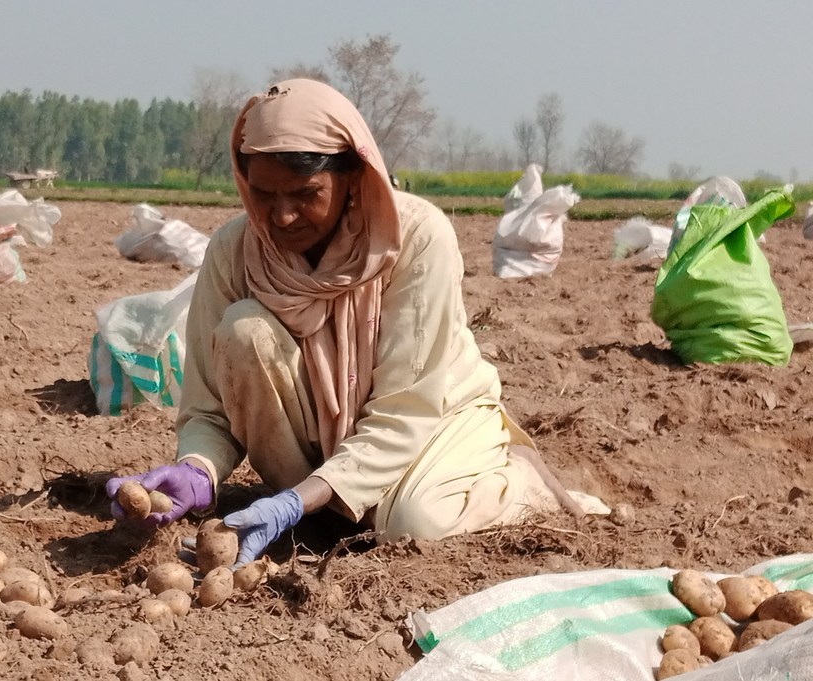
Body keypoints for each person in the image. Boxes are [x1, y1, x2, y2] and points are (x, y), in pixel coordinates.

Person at [106, 79, 583, 569]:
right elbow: (209, 406)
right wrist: (197, 469)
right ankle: (325, 505)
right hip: (319, 434)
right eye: (263, 194)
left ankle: (520, 479)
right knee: (244, 331)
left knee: (414, 523)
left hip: (433, 417)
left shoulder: (415, 238)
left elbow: (403, 411)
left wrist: (294, 500)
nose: (282, 216)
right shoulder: (235, 251)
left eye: (305, 193)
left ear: (353, 175)